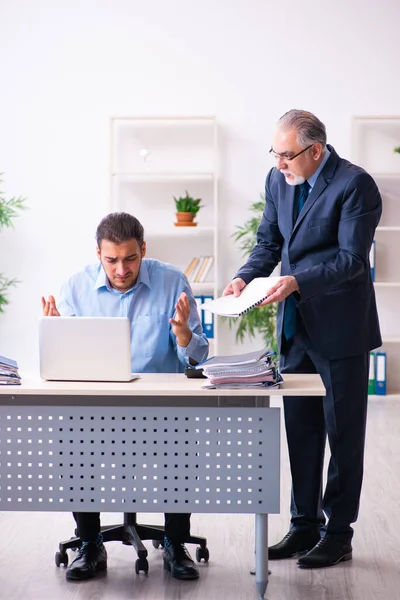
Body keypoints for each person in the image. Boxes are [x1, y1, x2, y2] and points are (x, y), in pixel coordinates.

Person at [223, 109, 382, 569]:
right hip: (295, 329)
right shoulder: (279, 182)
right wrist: (243, 277)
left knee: (343, 434)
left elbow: (353, 260)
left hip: (341, 329)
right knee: (303, 432)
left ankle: (338, 533)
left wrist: (295, 282)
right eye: (274, 154)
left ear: (315, 151)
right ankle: (303, 526)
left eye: (287, 155)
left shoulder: (356, 185)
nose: (279, 164)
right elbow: (268, 243)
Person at [42, 211, 208, 581]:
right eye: (111, 260)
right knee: (73, 439)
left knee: (180, 440)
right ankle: (89, 544)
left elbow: (198, 357)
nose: (121, 269)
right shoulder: (75, 287)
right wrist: (54, 334)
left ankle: (175, 544)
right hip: (97, 408)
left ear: (144, 250)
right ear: (98, 254)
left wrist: (183, 335)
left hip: (161, 410)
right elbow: (62, 362)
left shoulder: (172, 281)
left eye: (130, 258)